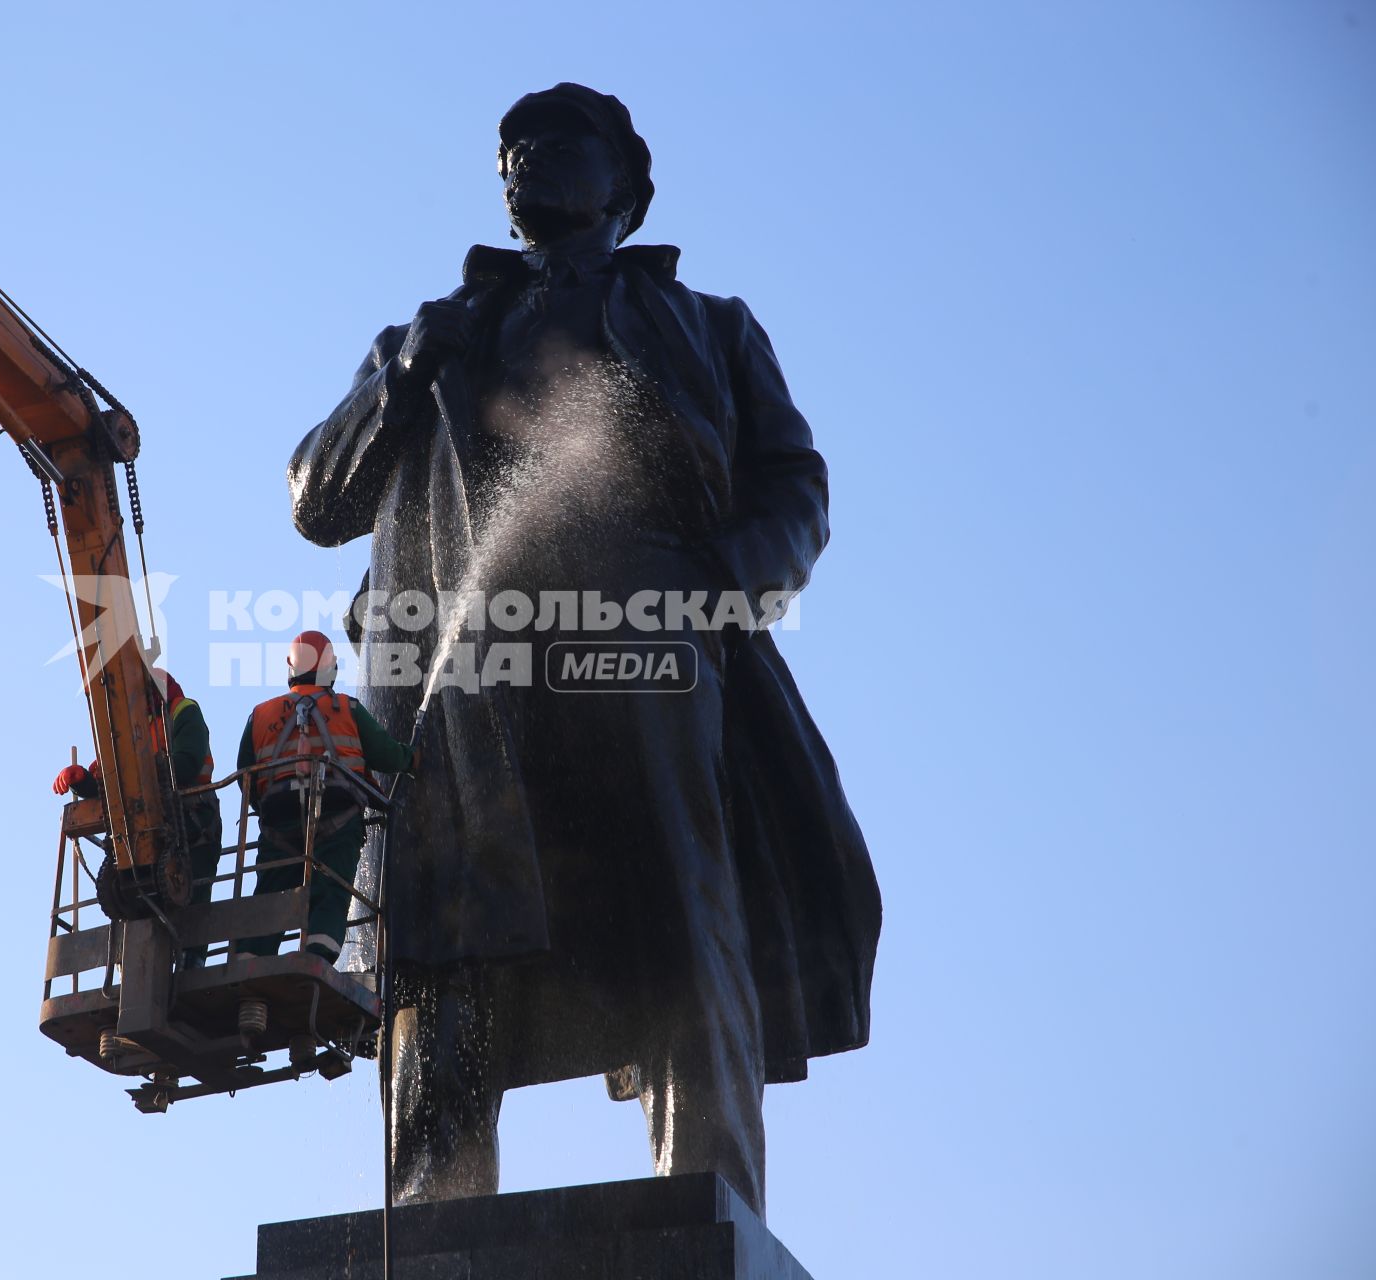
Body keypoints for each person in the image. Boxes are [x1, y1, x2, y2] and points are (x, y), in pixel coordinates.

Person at [288, 84, 881, 1212]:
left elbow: (794, 484)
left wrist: (715, 590)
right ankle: (432, 1212)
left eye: (561, 144)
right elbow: (319, 499)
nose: (529, 161)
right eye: (513, 150)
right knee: (445, 938)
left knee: (677, 905)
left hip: (649, 634)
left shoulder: (711, 325)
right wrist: (410, 371)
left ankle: (710, 1199)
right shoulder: (424, 334)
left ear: (627, 186)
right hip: (467, 660)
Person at [234, 630, 415, 963]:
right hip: (336, 818)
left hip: (279, 821)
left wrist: (269, 808)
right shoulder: (347, 708)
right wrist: (412, 757)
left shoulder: (261, 715)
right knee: (331, 887)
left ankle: (248, 956)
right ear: (330, 669)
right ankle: (318, 954)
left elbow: (244, 775)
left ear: (290, 668)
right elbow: (388, 756)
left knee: (271, 889)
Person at [53, 667, 225, 965]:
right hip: (149, 832)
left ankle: (191, 960)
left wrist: (137, 777)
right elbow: (106, 780)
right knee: (141, 896)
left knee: (192, 891)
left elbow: (186, 764)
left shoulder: (183, 712)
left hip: (194, 822)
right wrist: (81, 779)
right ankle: (139, 964)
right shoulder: (131, 728)